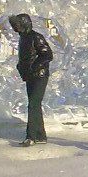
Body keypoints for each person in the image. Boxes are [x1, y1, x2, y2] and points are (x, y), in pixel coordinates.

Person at [8, 13, 53, 146]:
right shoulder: (23, 38)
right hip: (30, 76)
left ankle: (31, 136)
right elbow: (25, 56)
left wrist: (34, 66)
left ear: (25, 23)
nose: (16, 28)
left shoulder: (36, 37)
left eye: (18, 25)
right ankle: (40, 135)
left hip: (40, 75)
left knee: (33, 104)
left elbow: (47, 54)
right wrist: (20, 66)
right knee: (35, 105)